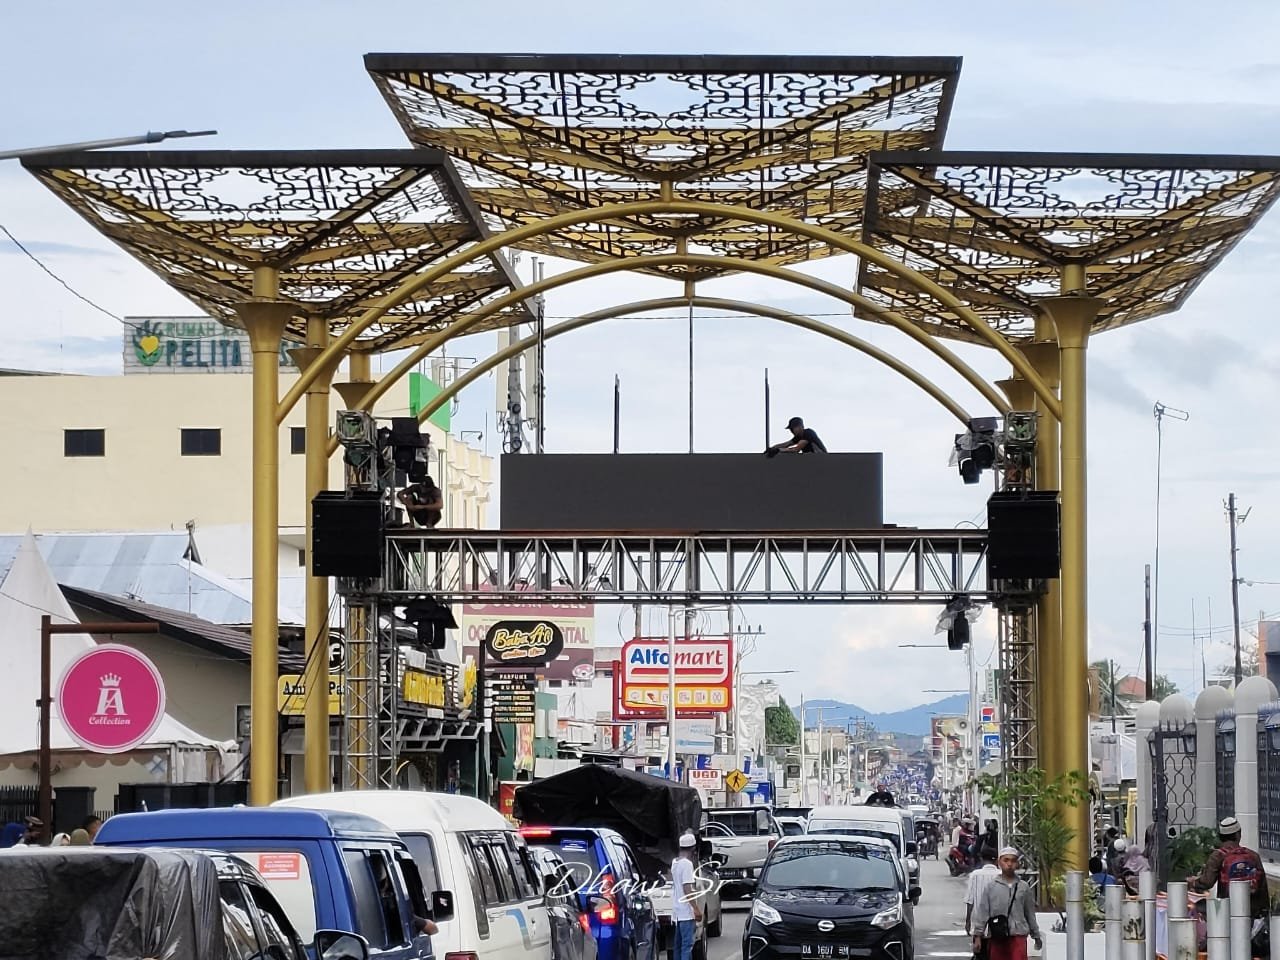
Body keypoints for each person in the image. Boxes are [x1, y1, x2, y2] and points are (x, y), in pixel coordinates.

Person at [1188, 816, 1270, 920]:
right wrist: (1265, 910)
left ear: (1221, 836)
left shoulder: (1217, 856)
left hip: (1228, 909)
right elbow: (1263, 886)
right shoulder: (1253, 855)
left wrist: (1193, 882)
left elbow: (1207, 882)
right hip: (1252, 910)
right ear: (1238, 835)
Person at [971, 847, 1042, 960]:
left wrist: (1036, 935)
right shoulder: (991, 887)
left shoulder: (1023, 887)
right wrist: (978, 936)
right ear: (999, 862)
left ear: (1018, 864)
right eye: (1006, 860)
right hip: (997, 935)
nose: (1009, 864)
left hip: (1018, 935)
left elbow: (1030, 913)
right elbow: (983, 913)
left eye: (1013, 861)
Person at [671, 831, 703, 960]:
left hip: (677, 912)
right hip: (686, 913)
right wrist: (696, 909)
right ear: (693, 849)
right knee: (687, 946)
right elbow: (687, 889)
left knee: (678, 946)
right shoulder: (687, 865)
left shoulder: (675, 863)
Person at [964, 847, 1000, 937]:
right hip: (999, 923)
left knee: (980, 949)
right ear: (997, 860)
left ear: (981, 859)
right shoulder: (1001, 875)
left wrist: (968, 921)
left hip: (979, 924)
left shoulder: (975, 875)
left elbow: (970, 900)